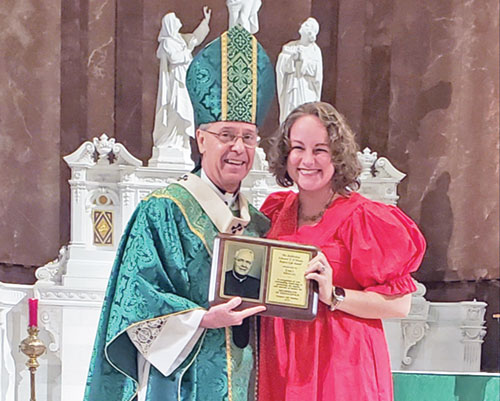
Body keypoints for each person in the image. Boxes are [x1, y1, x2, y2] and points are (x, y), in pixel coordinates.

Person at [83, 25, 275, 401]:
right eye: (226, 135)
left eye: (248, 137)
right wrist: (202, 318)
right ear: (201, 138)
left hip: (248, 381)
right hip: (180, 384)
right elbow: (134, 303)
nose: (238, 148)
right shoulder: (162, 212)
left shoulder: (261, 225)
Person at [258, 102, 426, 401]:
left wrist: (334, 294)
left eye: (320, 149)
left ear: (338, 155)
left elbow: (399, 305)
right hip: (282, 359)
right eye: (298, 147)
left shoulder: (364, 217)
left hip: (341, 362)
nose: (307, 159)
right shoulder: (274, 211)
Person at [152, 7, 211, 152]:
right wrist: (187, 50)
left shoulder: (179, 39)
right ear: (171, 24)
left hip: (183, 79)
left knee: (184, 109)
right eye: (176, 20)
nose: (179, 22)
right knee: (174, 109)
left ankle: (182, 139)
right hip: (174, 82)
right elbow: (175, 58)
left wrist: (206, 21)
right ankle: (169, 141)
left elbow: (195, 38)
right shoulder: (167, 42)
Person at [276, 17, 323, 124]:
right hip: (292, 86)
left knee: (305, 114)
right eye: (304, 24)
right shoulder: (290, 47)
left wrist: (303, 61)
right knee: (290, 114)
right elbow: (281, 66)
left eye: (306, 26)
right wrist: (292, 59)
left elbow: (316, 73)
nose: (302, 26)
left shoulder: (314, 50)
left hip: (306, 87)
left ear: (311, 32)